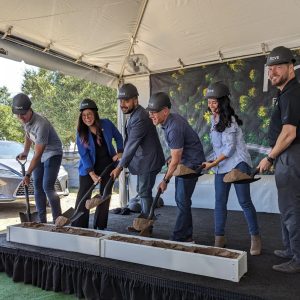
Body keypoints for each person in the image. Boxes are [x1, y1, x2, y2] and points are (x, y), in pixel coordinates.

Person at [202, 82, 261, 255]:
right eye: (209, 102)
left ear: (223, 102)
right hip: (222, 166)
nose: (211, 105)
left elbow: (230, 149)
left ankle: (255, 238)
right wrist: (210, 161)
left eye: (214, 102)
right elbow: (219, 150)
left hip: (237, 163)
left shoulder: (231, 121)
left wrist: (212, 164)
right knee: (219, 202)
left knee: (244, 201)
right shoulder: (214, 120)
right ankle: (219, 239)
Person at [258, 46, 300, 272]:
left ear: (291, 68)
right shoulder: (285, 93)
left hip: (291, 156)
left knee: (292, 209)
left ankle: (298, 258)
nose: (272, 72)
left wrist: (270, 157)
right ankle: (291, 249)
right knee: (287, 207)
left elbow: (289, 133)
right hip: (287, 156)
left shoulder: (293, 93)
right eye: (270, 68)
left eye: (278, 67)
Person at [147, 92, 205, 242]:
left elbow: (175, 160)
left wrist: (165, 180)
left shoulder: (174, 127)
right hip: (185, 162)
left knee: (182, 199)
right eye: (150, 113)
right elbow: (176, 156)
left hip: (191, 164)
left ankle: (181, 237)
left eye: (154, 113)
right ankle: (186, 235)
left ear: (165, 111)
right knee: (182, 199)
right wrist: (171, 160)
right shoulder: (169, 122)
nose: (151, 116)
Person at [110, 83, 165, 216]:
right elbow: (131, 141)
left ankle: (146, 222)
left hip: (149, 160)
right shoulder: (134, 114)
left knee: (144, 191)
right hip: (144, 159)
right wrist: (122, 155)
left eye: (126, 100)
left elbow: (133, 143)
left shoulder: (141, 117)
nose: (122, 104)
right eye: (121, 101)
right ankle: (145, 217)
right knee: (142, 190)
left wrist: (119, 167)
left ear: (136, 100)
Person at [72, 98, 123, 229]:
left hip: (108, 166)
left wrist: (120, 152)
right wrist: (92, 174)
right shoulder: (81, 132)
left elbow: (118, 137)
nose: (87, 118)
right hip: (88, 168)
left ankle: (100, 227)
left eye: (89, 114)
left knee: (105, 196)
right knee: (83, 196)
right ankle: (79, 226)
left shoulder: (106, 124)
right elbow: (84, 154)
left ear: (95, 113)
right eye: (83, 115)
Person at [12, 93, 63, 223]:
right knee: (37, 186)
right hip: (41, 154)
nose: (21, 118)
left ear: (30, 109)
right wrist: (25, 151)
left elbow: (38, 153)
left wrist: (27, 174)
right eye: (18, 115)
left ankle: (58, 220)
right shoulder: (26, 121)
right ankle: (42, 221)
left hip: (53, 153)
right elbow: (28, 135)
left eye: (23, 114)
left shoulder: (41, 124)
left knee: (47, 186)